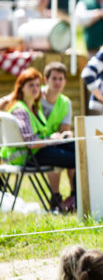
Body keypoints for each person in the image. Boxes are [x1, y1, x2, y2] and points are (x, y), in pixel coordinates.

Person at [0, 67, 76, 212]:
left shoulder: (35, 107)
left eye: (37, 85)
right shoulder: (20, 110)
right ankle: (75, 201)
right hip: (28, 156)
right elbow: (30, 143)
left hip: (37, 152)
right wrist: (51, 140)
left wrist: (56, 138)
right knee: (77, 159)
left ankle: (72, 199)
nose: (35, 89)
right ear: (21, 88)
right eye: (31, 85)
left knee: (75, 147)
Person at [41, 61, 77, 211]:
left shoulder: (65, 102)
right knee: (69, 156)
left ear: (65, 81)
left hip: (55, 142)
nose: (57, 82)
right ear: (46, 79)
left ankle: (75, 195)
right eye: (54, 78)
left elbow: (65, 130)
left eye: (61, 79)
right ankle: (55, 198)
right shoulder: (36, 96)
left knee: (77, 148)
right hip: (39, 144)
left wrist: (65, 134)